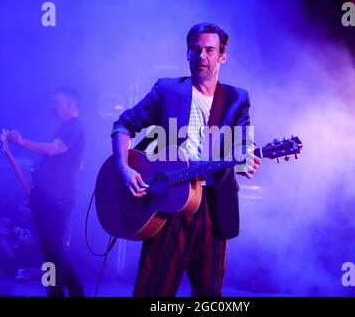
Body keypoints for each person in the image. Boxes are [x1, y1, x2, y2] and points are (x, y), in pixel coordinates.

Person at [111, 23, 261, 297]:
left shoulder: (238, 98)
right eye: (195, 49)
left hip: (214, 207)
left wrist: (246, 158)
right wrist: (123, 168)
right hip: (168, 202)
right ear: (188, 54)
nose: (201, 55)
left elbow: (243, 141)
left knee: (209, 294)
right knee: (153, 292)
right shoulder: (167, 90)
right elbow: (123, 125)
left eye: (209, 50)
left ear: (222, 56)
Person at [5, 88, 86, 297]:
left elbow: (53, 149)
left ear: (70, 104)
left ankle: (76, 290)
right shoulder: (66, 129)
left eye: (56, 102)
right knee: (50, 252)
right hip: (47, 199)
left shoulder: (72, 128)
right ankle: (55, 291)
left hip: (58, 200)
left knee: (55, 249)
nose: (52, 107)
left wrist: (22, 142)